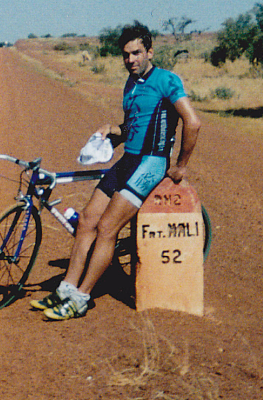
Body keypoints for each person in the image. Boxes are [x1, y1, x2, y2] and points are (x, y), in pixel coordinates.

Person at [31, 21, 201, 320]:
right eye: (126, 55)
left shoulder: (166, 80)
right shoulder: (129, 85)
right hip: (127, 160)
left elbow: (193, 122)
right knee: (86, 221)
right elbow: (132, 128)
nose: (131, 60)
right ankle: (66, 288)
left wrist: (181, 165)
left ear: (150, 51)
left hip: (151, 162)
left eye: (136, 53)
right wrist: (112, 130)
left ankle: (82, 298)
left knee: (108, 228)